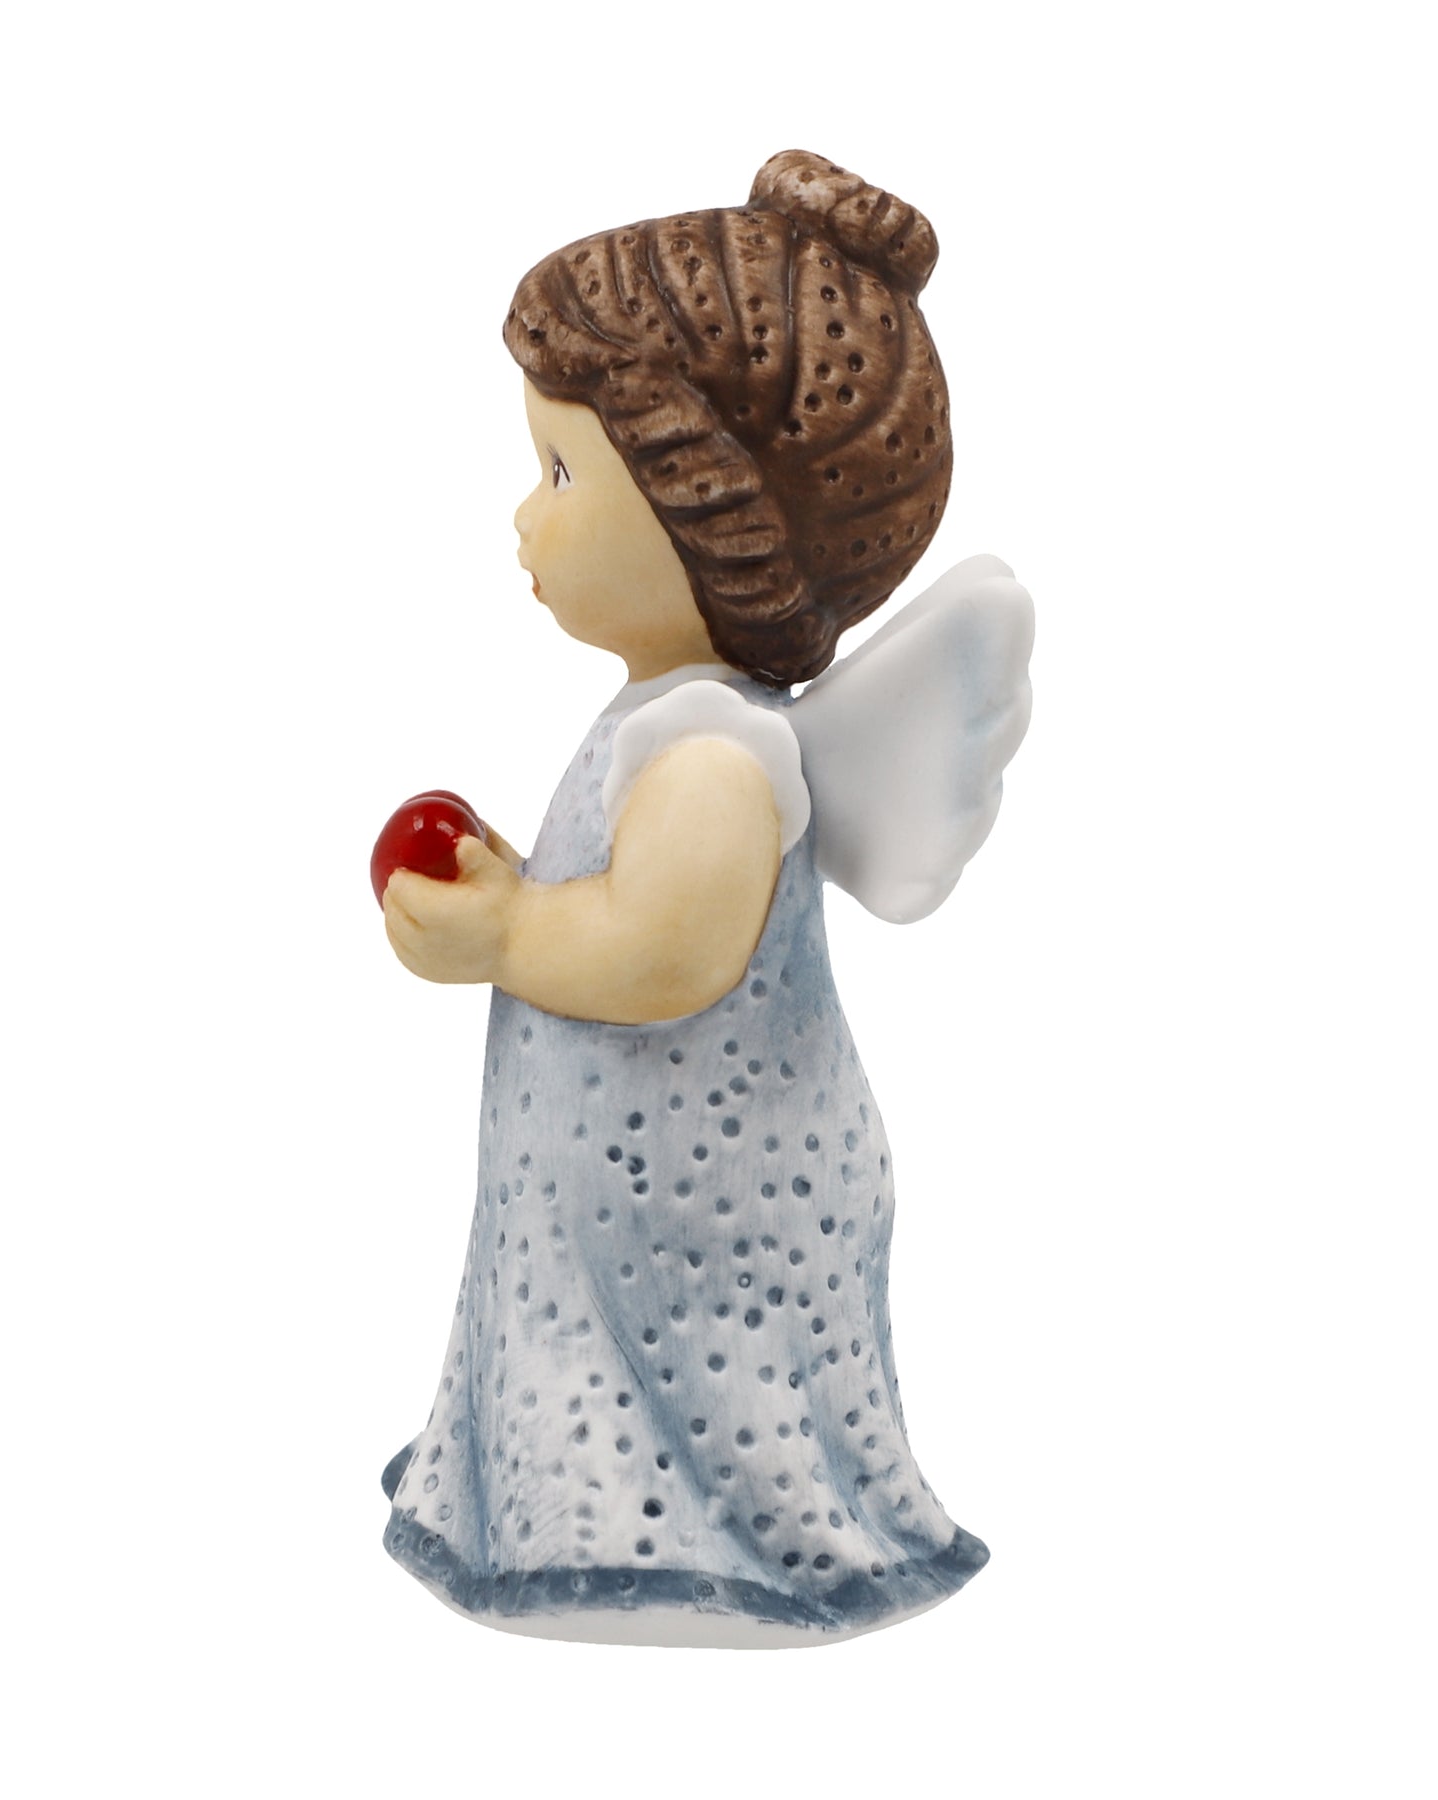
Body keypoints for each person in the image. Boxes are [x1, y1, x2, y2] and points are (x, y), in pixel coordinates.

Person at [377, 150, 1034, 1645]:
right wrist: (519, 891)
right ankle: (558, 1497)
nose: (526, 517)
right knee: (588, 1333)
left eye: (562, 475)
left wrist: (509, 931)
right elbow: (611, 899)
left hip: (700, 1209)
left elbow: (665, 953)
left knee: (683, 1384)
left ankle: (678, 1548)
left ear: (702, 502)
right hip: (626, 1189)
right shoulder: (666, 724)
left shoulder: (711, 760)